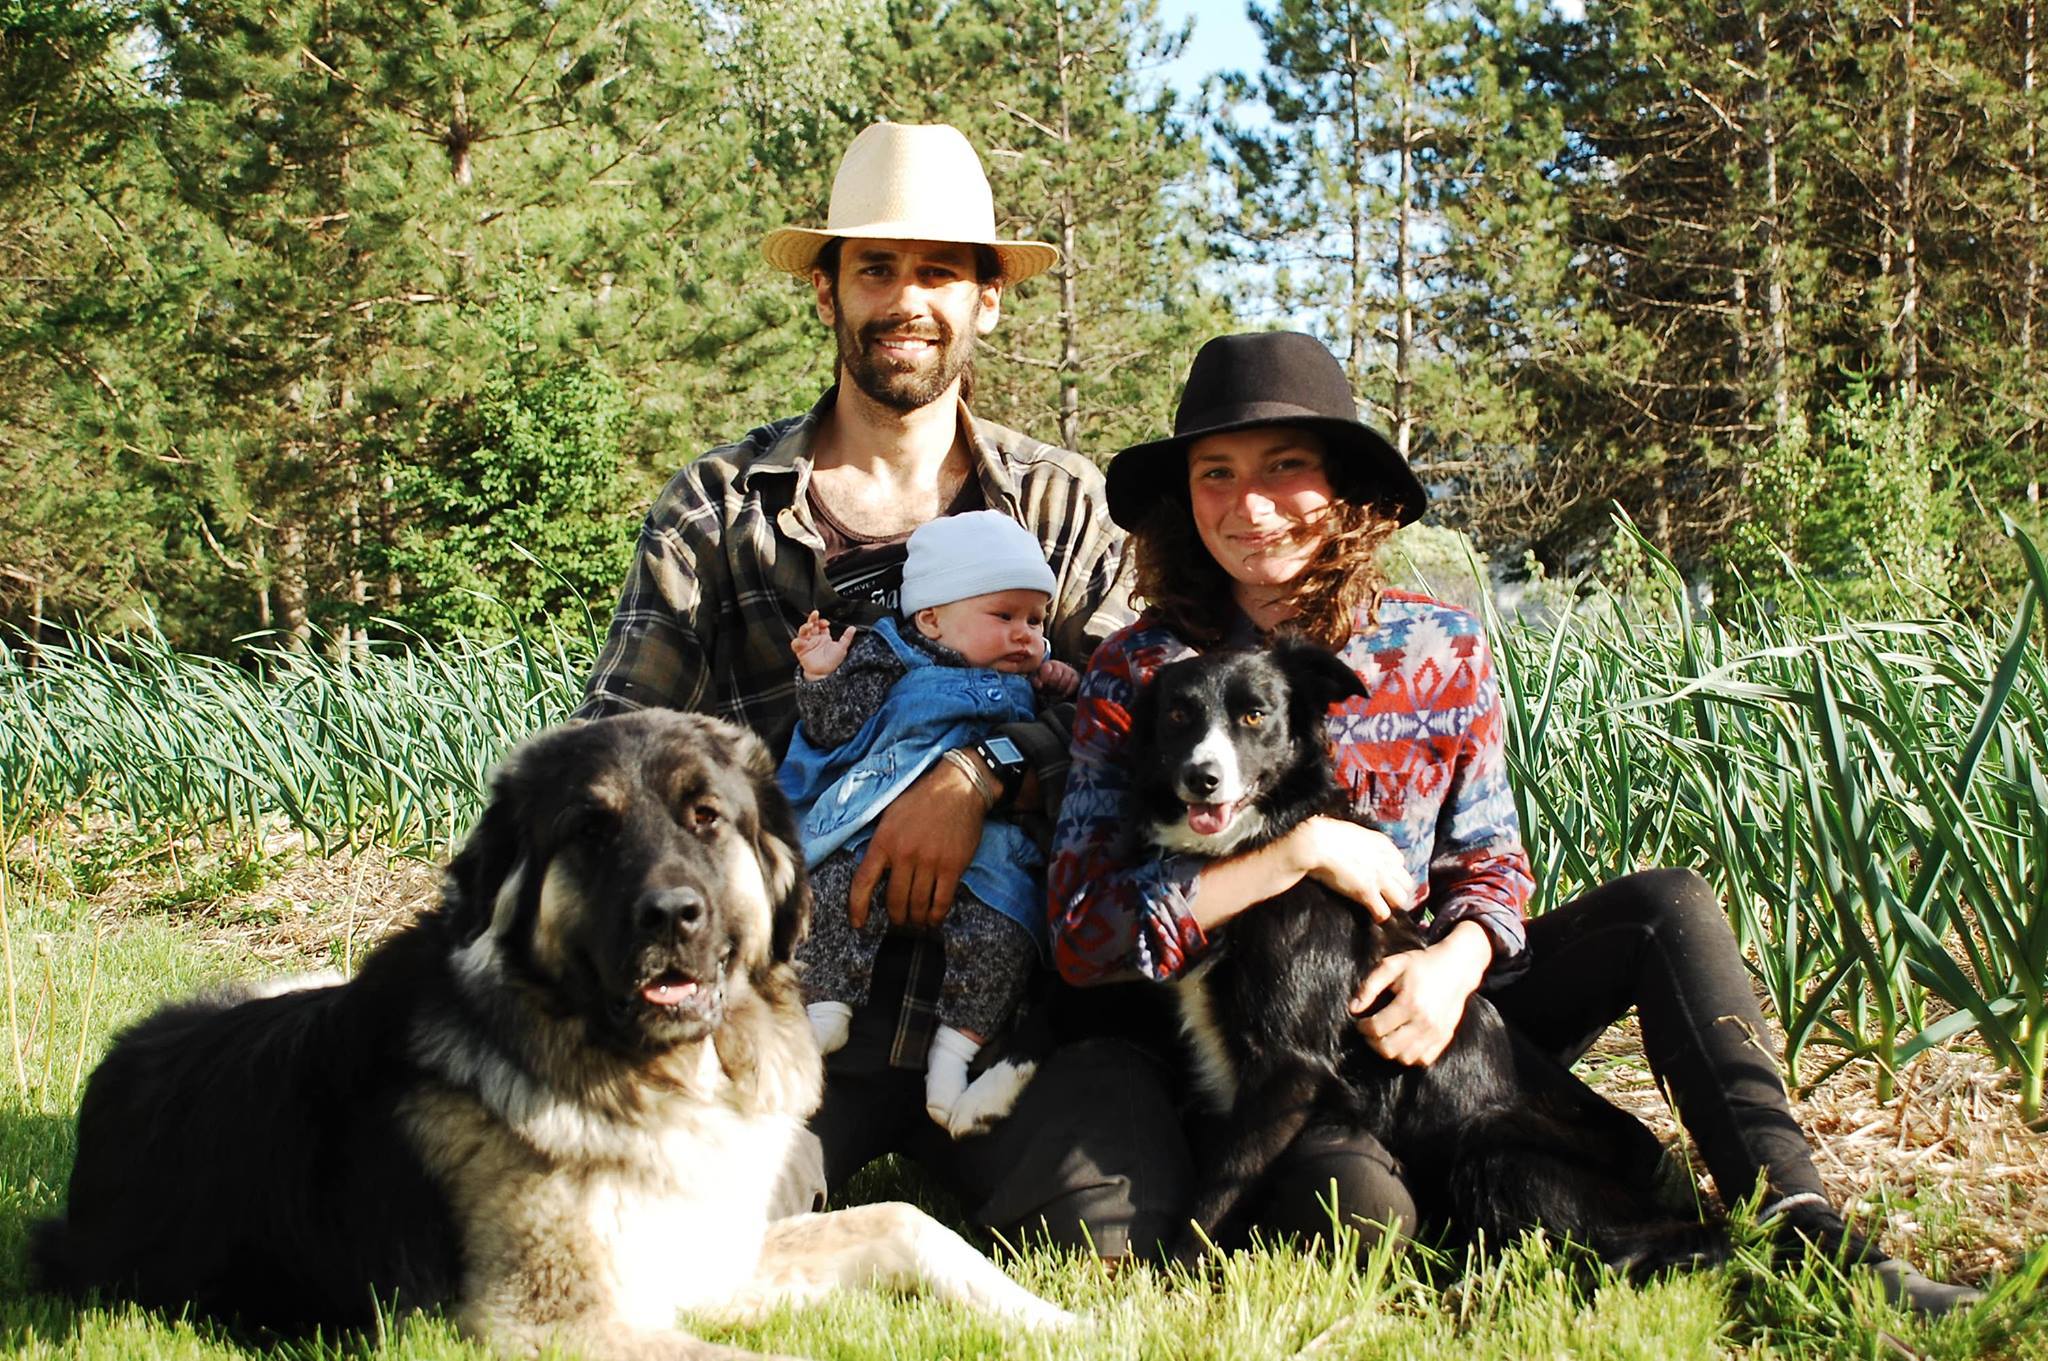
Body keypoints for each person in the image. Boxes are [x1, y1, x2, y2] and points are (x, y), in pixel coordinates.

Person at [1045, 329, 1983, 1313]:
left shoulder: (1437, 645)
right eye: (1215, 473)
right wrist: (1299, 848)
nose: (1249, 504)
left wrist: (1452, 964)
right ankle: (1471, 1214)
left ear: (1345, 488)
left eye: (1286, 466)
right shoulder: (1142, 673)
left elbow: (1489, 863)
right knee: (1359, 1188)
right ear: (1181, 497)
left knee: (1665, 904)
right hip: (1270, 1039)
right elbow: (1084, 928)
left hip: (1439, 1008)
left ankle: (1799, 1215)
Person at [576, 120, 1179, 1257]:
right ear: (826, 290)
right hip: (776, 1002)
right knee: (687, 1240)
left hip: (1014, 1012)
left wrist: (976, 772)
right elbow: (616, 751)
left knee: (1119, 1231)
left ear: (986, 301)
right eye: (876, 268)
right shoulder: (718, 510)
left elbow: (1120, 719)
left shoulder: (1064, 506)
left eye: (940, 271)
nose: (907, 299)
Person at [782, 511, 1079, 1134]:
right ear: (931, 619)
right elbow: (834, 729)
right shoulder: (886, 657)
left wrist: (1062, 680)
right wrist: (821, 676)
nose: (1025, 636)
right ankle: (826, 1001)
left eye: (1036, 620)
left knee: (1007, 929)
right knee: (835, 891)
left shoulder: (1035, 678)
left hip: (990, 846)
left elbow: (1077, 731)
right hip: (873, 819)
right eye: (1005, 617)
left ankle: (957, 1051)